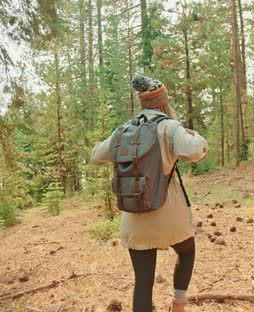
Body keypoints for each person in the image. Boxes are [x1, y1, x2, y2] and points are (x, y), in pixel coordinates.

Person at [91, 76, 208, 312]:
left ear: (143, 104)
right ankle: (178, 305)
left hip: (135, 218)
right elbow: (195, 152)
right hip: (169, 215)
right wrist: (196, 136)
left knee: (143, 283)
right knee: (187, 252)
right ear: (163, 103)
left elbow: (96, 156)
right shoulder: (170, 126)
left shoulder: (124, 130)